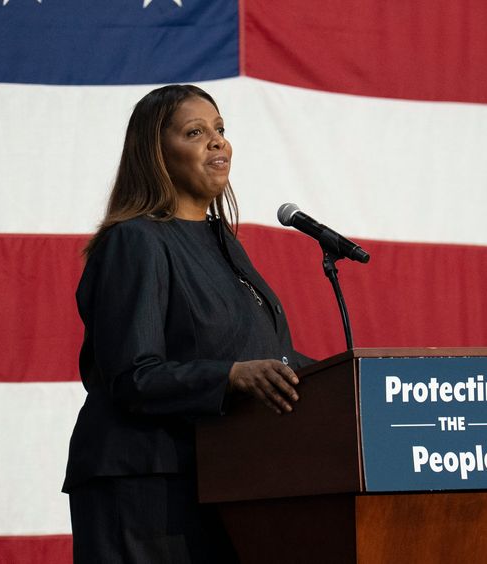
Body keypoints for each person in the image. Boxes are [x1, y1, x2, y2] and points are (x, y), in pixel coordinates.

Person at [63, 84, 313, 564]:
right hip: (145, 489)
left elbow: (261, 351)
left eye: (220, 129)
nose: (217, 141)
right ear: (155, 153)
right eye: (196, 132)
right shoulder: (134, 241)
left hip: (218, 478)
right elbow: (131, 375)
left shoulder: (223, 243)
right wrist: (231, 376)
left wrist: (352, 379)